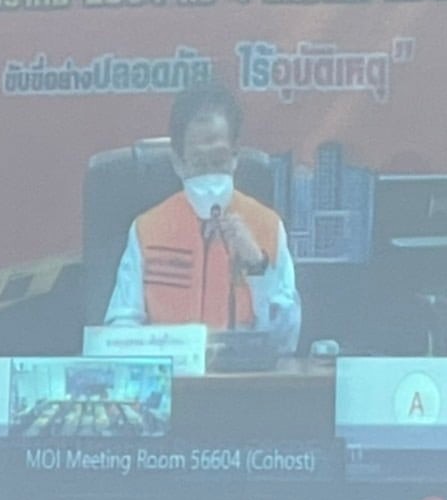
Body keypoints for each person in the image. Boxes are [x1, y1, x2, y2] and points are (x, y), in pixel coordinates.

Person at [104, 83, 301, 355]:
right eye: (198, 163)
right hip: (170, 375)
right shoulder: (147, 229)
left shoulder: (267, 226)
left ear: (235, 157)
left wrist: (257, 266)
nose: (210, 173)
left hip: (244, 378)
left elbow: (286, 340)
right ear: (178, 163)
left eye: (219, 161)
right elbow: (120, 328)